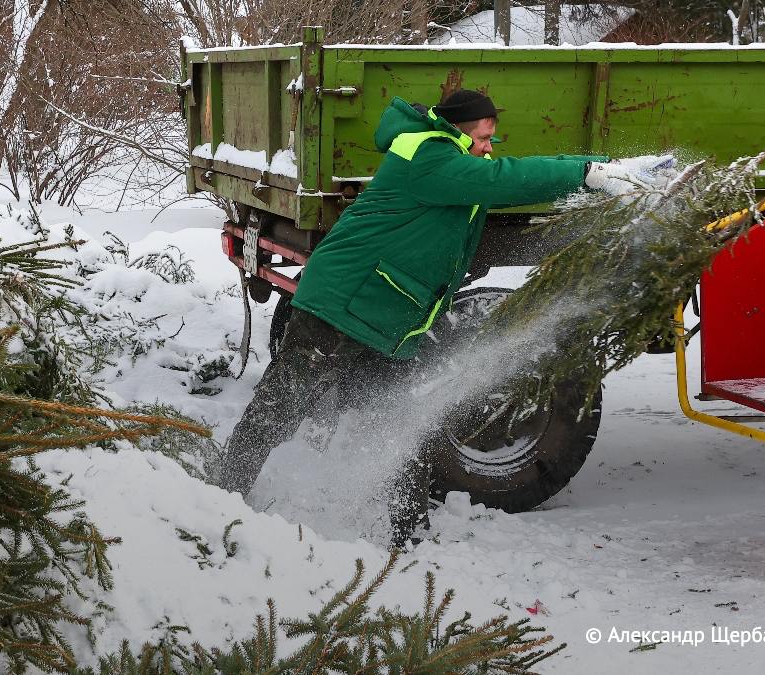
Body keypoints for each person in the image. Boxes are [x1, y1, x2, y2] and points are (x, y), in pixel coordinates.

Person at [214, 89, 655, 543]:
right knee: (280, 406)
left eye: (492, 140)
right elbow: (506, 179)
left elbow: (507, 167)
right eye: (483, 138)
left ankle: (406, 532)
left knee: (401, 418)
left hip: (383, 314)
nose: (489, 148)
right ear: (459, 134)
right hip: (340, 302)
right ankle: (221, 501)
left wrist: (606, 167)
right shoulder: (428, 157)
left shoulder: (448, 158)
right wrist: (585, 174)